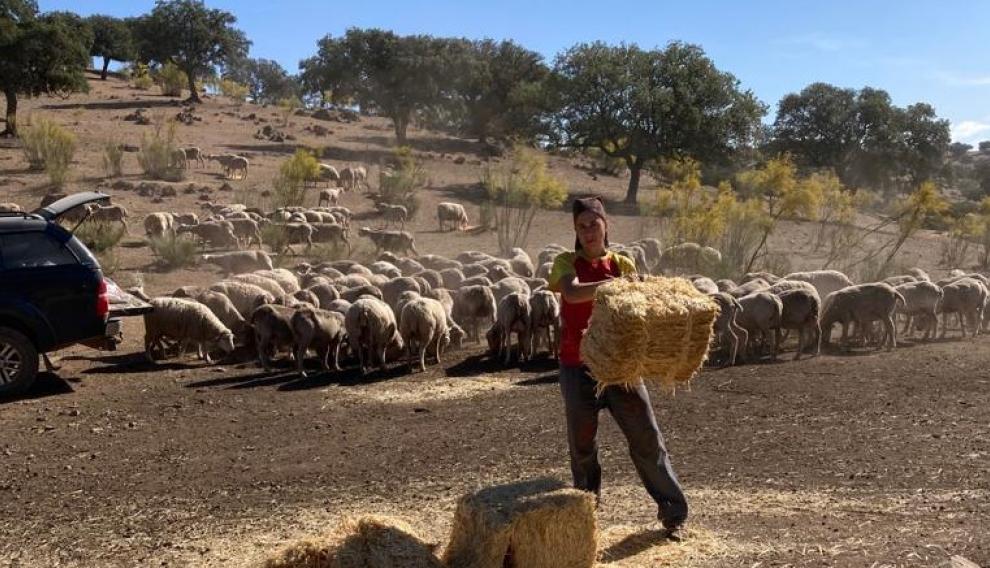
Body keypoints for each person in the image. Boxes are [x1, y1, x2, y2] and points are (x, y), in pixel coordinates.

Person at [547, 195, 688, 538]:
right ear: (576, 231)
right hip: (577, 366)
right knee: (582, 446)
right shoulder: (566, 262)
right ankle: (586, 521)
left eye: (593, 224)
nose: (588, 232)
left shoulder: (623, 263)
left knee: (647, 438)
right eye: (581, 226)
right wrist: (615, 285)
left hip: (622, 369)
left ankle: (674, 514)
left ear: (605, 225)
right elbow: (572, 294)